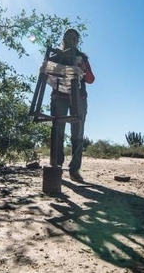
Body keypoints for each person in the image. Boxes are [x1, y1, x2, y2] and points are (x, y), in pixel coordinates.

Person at [47, 28, 95, 182]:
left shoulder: (82, 57)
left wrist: (83, 69)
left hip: (78, 98)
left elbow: (91, 79)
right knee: (57, 131)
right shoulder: (55, 56)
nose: (71, 40)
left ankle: (74, 170)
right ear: (64, 39)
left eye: (74, 38)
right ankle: (56, 165)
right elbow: (46, 75)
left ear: (77, 41)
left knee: (77, 134)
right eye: (69, 37)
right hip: (60, 97)